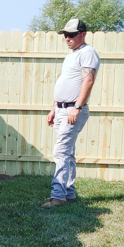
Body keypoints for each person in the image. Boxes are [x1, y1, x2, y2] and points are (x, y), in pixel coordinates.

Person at [42, 18, 100, 207]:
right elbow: (66, 83)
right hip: (61, 109)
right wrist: (53, 108)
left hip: (73, 110)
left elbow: (88, 81)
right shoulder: (72, 55)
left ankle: (58, 197)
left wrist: (77, 107)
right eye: (65, 35)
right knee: (67, 153)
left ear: (83, 34)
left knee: (60, 152)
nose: (67, 38)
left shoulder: (88, 53)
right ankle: (68, 193)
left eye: (71, 35)